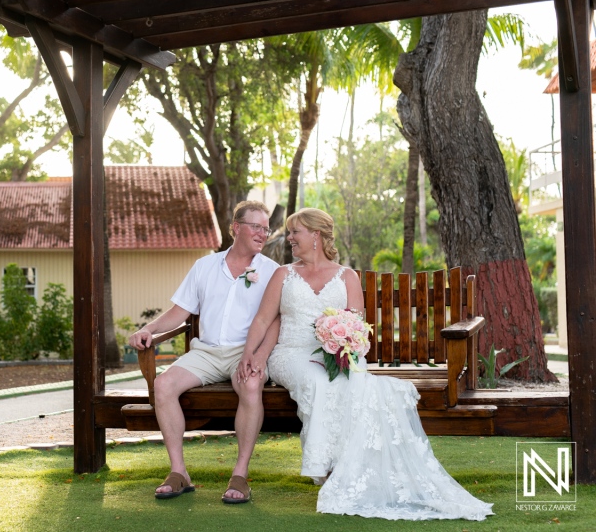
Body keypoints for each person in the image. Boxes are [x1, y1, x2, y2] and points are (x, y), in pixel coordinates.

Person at [239, 208, 494, 520]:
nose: (290, 238)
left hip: (334, 353)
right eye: (290, 233)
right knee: (319, 381)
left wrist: (346, 348)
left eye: (296, 232)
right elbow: (264, 318)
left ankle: (347, 469)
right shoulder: (284, 274)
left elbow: (356, 326)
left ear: (316, 236)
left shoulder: (346, 275)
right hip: (290, 353)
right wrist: (250, 355)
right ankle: (324, 468)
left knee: (355, 383)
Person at [129, 200, 280, 504]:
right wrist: (149, 329)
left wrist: (259, 356)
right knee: (163, 385)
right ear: (236, 227)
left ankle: (239, 474)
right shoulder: (204, 266)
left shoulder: (272, 271)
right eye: (256, 227)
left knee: (251, 386)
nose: (263, 233)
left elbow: (276, 320)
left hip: (245, 352)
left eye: (266, 229)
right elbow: (180, 312)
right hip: (207, 352)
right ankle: (179, 472)